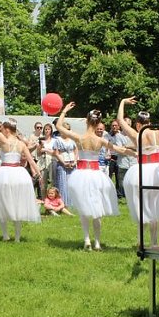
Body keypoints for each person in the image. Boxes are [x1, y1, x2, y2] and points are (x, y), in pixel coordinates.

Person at [56, 101, 121, 251]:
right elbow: (118, 149)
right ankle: (97, 242)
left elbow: (59, 127)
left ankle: (87, 240)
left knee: (84, 207)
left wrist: (64, 111)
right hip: (96, 174)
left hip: (81, 175)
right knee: (97, 208)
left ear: (86, 121)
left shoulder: (79, 138)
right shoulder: (100, 140)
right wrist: (133, 151)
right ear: (98, 123)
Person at [117, 97, 159, 246]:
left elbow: (120, 120)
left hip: (140, 173)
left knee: (142, 206)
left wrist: (123, 102)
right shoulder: (157, 133)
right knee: (155, 206)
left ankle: (141, 241)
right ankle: (154, 242)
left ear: (138, 124)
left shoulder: (136, 135)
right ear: (150, 122)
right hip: (156, 171)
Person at [0, 117, 41, 242]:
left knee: (3, 203)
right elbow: (31, 160)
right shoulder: (21, 143)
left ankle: (5, 235)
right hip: (19, 175)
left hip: (4, 175)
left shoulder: (3, 141)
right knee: (18, 204)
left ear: (7, 129)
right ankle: (17, 237)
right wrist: (38, 173)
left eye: (3, 129)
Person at [49, 121, 78, 208]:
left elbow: (76, 151)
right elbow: (56, 153)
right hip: (62, 164)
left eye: (69, 129)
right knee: (63, 184)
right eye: (66, 129)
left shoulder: (72, 140)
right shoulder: (58, 140)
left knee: (72, 183)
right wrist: (64, 163)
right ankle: (63, 204)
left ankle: (73, 202)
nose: (68, 131)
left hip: (72, 163)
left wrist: (75, 161)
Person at [35, 124, 55, 199]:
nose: (47, 131)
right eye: (45, 129)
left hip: (51, 161)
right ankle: (44, 199)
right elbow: (38, 153)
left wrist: (46, 150)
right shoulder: (41, 140)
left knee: (52, 181)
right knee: (43, 183)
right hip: (42, 162)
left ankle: (53, 199)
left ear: (51, 130)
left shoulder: (54, 141)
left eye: (48, 129)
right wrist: (40, 147)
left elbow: (55, 152)